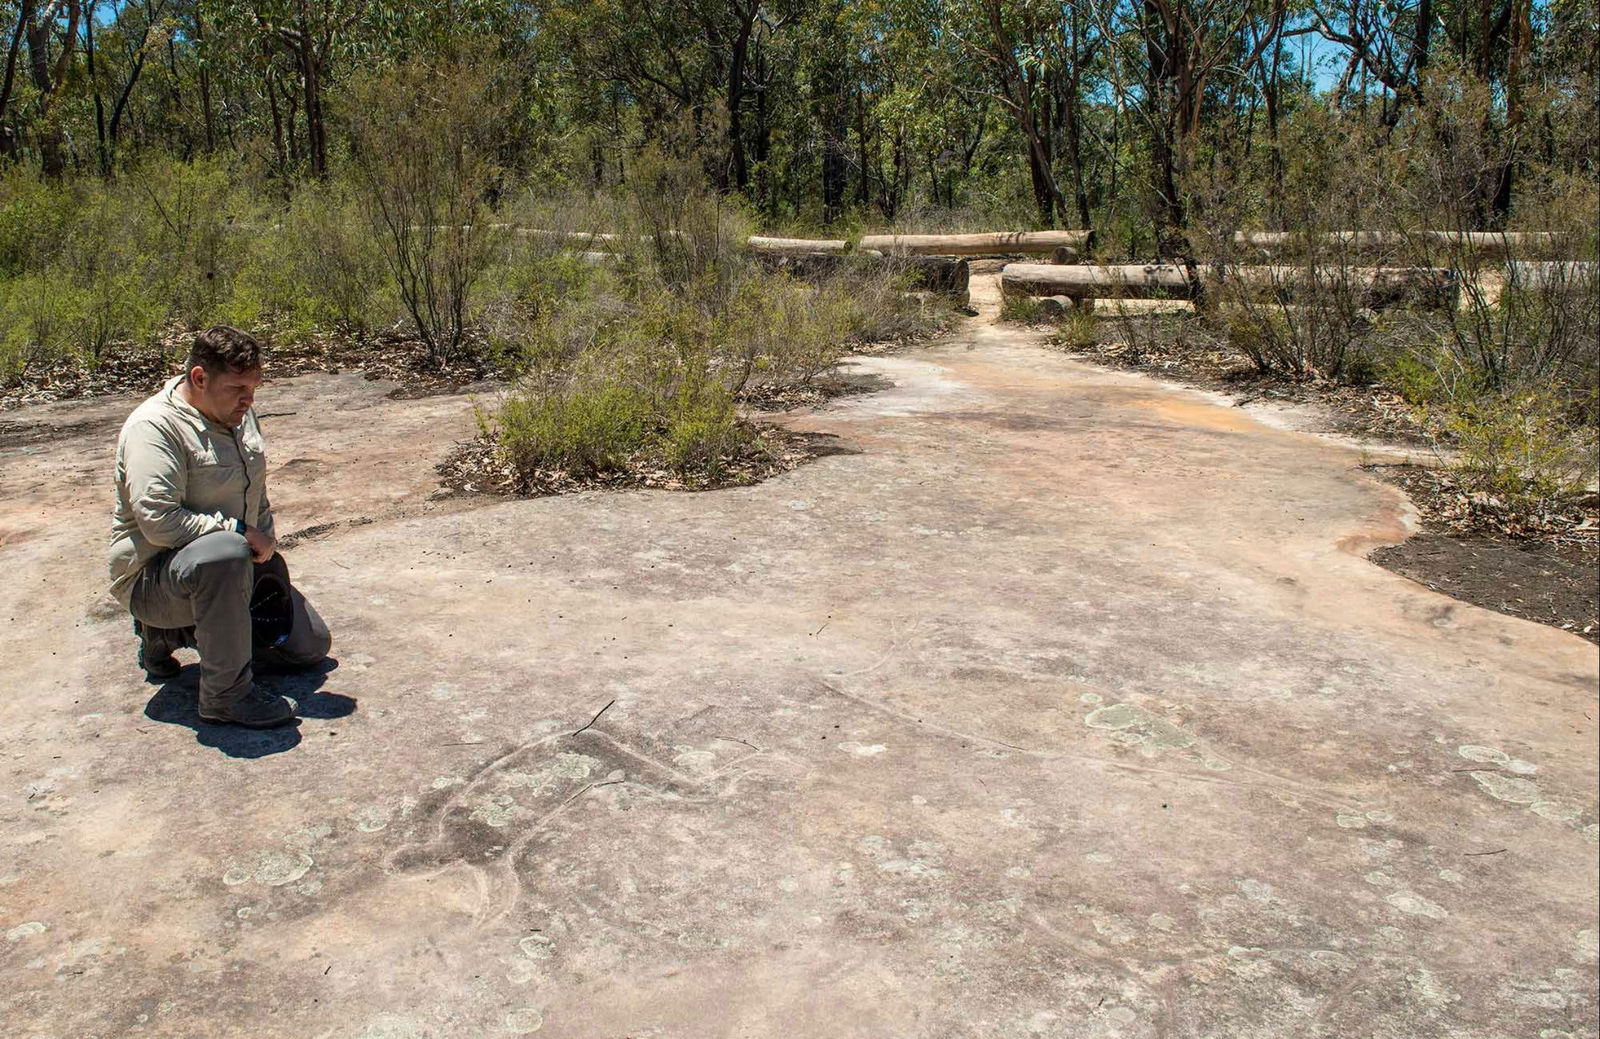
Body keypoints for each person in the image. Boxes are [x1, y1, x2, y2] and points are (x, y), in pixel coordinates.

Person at [109, 326, 331, 728]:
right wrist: (241, 532)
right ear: (199, 378)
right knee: (224, 550)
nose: (249, 399)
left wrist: (266, 548)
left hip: (228, 571)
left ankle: (174, 634)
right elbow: (159, 522)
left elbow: (255, 489)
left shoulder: (238, 413)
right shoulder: (154, 428)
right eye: (237, 388)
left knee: (309, 646)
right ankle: (225, 696)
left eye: (254, 387)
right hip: (157, 580)